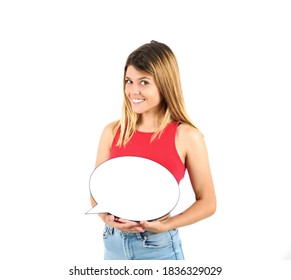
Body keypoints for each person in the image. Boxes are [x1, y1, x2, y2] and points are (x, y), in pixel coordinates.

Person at [90, 40, 216, 260]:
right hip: (113, 244)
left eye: (144, 82)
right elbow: (96, 192)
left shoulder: (186, 136)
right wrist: (105, 217)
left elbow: (208, 202)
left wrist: (166, 225)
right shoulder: (112, 131)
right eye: (129, 81)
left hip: (158, 248)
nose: (133, 90)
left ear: (165, 84)